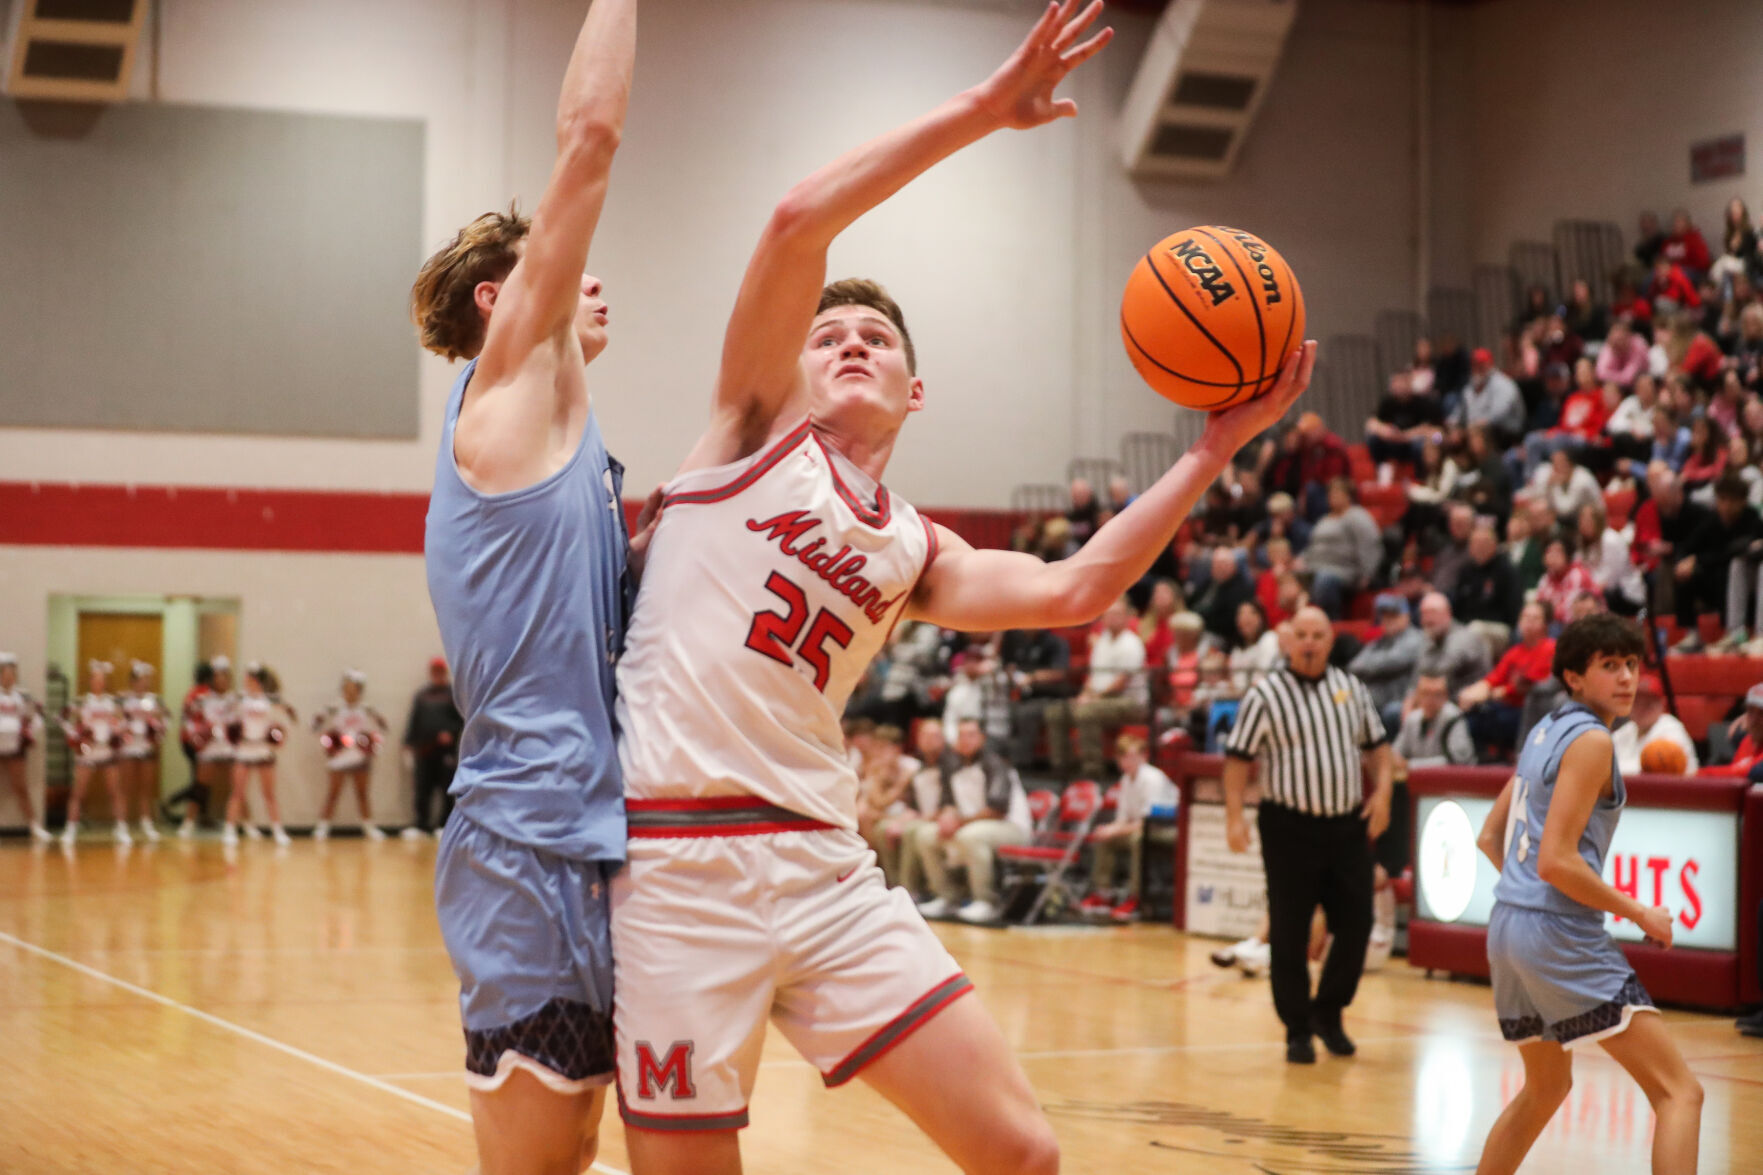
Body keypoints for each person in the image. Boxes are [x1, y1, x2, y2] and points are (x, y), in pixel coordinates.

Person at [606, 5, 1311, 1166]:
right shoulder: (743, 434)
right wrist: (988, 109)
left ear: (914, 391)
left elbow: (1075, 586)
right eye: (827, 329)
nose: (845, 339)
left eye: (874, 336)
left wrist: (1211, 449)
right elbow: (795, 219)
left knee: (1022, 1150)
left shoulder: (912, 547)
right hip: (678, 863)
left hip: (827, 866)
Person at [413, 1, 639, 1166]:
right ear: (503, 301)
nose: (589, 280)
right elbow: (589, 136)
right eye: (562, 264)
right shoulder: (500, 400)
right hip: (526, 835)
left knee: (594, 1144)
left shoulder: (575, 451)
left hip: (610, 832)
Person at [1473, 614, 1703, 1175]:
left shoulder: (1545, 729)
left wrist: (1527, 900)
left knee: (1546, 1086)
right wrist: (1640, 910)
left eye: (1631, 665)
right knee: (1681, 1094)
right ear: (1574, 676)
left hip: (1506, 928)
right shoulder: (1594, 739)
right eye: (1609, 666)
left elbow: (1488, 837)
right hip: (1554, 934)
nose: (1626, 678)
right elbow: (1555, 861)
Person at [1222, 607, 1392, 1064]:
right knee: (1290, 929)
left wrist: (1385, 795)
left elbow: (1378, 748)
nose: (1310, 643)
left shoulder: (1350, 689)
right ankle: (1297, 1027)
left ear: (1331, 640)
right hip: (1288, 826)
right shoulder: (1266, 694)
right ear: (1288, 641)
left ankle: (1329, 1013)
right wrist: (1234, 817)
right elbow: (1237, 760)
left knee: (1355, 923)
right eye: (1302, 635)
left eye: (1319, 634)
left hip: (1345, 825)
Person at [910, 718, 1033, 924]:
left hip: (1012, 828)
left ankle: (985, 901)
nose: (965, 740)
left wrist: (960, 822)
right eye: (961, 735)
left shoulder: (996, 764)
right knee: (927, 835)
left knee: (971, 836)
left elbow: (997, 810)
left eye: (971, 735)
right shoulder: (953, 766)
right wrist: (948, 817)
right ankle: (947, 897)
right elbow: (948, 802)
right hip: (971, 825)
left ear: (983, 738)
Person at [1045, 596, 1148, 781]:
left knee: (1086, 712)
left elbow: (1120, 683)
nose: (1112, 618)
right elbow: (1092, 676)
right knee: (1056, 711)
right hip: (1101, 699)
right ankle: (1062, 768)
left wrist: (1093, 699)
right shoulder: (1101, 641)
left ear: (1127, 618)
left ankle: (1092, 772)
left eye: (1117, 614)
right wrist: (1083, 695)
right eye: (1108, 614)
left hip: (1129, 702)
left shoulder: (1132, 643)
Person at [1079, 732, 1176, 923]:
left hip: (1167, 828)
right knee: (1105, 837)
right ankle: (1104, 893)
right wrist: (1108, 830)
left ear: (1144, 757)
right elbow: (1123, 819)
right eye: (1124, 757)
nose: (1128, 761)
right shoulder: (1125, 780)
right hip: (1143, 828)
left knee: (1137, 839)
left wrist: (1117, 829)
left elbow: (1147, 822)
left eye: (1133, 756)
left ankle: (1136, 897)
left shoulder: (1152, 778)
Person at [1460, 600, 1557, 759]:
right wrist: (1472, 692)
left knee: (1489, 716)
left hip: (1531, 709)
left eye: (1535, 618)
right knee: (1471, 713)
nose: (1528, 623)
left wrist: (1494, 693)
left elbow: (1527, 684)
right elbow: (1495, 677)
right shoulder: (1515, 651)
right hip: (1506, 706)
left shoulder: (1550, 648)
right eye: (1525, 617)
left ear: (1545, 624)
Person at [311, 669, 390, 841]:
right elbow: (314, 725)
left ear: (360, 691)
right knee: (333, 793)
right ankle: (323, 827)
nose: (349, 693)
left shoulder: (366, 709)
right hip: (340, 755)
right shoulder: (334, 708)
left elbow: (384, 726)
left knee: (362, 793)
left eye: (353, 690)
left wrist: (374, 734)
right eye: (346, 690)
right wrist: (320, 720)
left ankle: (369, 828)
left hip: (359, 755)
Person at [224, 663, 295, 847]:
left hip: (263, 749)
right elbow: (227, 718)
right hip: (245, 749)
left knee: (269, 793)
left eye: (250, 680)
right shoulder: (240, 700)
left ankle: (278, 831)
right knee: (238, 793)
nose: (247, 683)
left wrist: (281, 732)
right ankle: (230, 829)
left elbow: (287, 719)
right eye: (246, 680)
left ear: (258, 682)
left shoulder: (269, 701)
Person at [60, 661, 129, 846]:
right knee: (78, 792)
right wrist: (76, 736)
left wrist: (118, 732)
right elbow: (62, 718)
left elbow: (123, 723)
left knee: (115, 790)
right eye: (96, 679)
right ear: (90, 681)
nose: (99, 682)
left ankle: (121, 828)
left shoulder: (112, 702)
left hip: (107, 751)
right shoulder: (82, 701)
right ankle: (71, 828)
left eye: (102, 679)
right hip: (87, 753)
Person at [403, 656, 464, 837]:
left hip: (445, 751)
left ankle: (444, 824)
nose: (436, 674)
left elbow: (461, 720)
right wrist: (408, 742)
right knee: (422, 787)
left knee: (446, 787)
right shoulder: (422, 695)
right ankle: (421, 825)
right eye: (434, 671)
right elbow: (414, 720)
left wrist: (451, 733)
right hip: (424, 750)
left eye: (440, 671)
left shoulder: (453, 695)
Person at [1349, 593, 1426, 733]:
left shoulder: (1416, 638)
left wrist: (1371, 667)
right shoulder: (1378, 642)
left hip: (1400, 701)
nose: (1388, 621)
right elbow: (1354, 665)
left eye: (1394, 616)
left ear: (1406, 616)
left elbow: (1391, 661)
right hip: (1374, 700)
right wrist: (1373, 667)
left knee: (1389, 712)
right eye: (1385, 616)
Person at [180, 656, 237, 839]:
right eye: (218, 677)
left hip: (228, 747)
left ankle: (240, 825)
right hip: (209, 747)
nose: (221, 681)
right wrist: (199, 735)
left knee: (237, 786)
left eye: (225, 677)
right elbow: (188, 720)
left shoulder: (234, 699)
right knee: (200, 785)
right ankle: (188, 823)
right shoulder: (202, 698)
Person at [0, 652, 52, 842]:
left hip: (15, 748)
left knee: (20, 787)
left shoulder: (22, 696)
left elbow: (37, 718)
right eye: (5, 673)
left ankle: (34, 826)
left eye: (12, 674)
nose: (8, 677)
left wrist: (28, 734)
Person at [117, 661, 167, 843]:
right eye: (140, 680)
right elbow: (116, 722)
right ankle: (121, 825)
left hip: (146, 748)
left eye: (147, 680)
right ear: (132, 682)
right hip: (128, 749)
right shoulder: (122, 699)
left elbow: (163, 723)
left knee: (146, 788)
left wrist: (157, 734)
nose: (144, 684)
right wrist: (123, 730)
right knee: (125, 788)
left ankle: (147, 823)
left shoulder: (155, 701)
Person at [1611, 673, 1698, 777]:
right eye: (1637, 702)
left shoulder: (1671, 728)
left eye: (1649, 703)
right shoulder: (1626, 730)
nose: (1642, 708)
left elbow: (1651, 771)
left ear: (1662, 705)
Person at [1415, 590, 1492, 698]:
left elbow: (1442, 673)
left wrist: (1424, 683)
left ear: (1447, 614)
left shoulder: (1465, 637)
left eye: (1432, 612)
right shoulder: (1430, 638)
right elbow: (1418, 676)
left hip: (1469, 705)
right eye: (1423, 614)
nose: (1427, 619)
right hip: (1439, 702)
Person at [1390, 673, 1475, 768]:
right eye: (1425, 693)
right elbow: (1396, 754)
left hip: (1454, 780)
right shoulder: (1412, 719)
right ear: (1417, 696)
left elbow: (1457, 760)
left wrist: (1410, 765)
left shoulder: (1453, 717)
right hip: (1420, 779)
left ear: (1445, 697)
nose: (1430, 700)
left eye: (1437, 694)